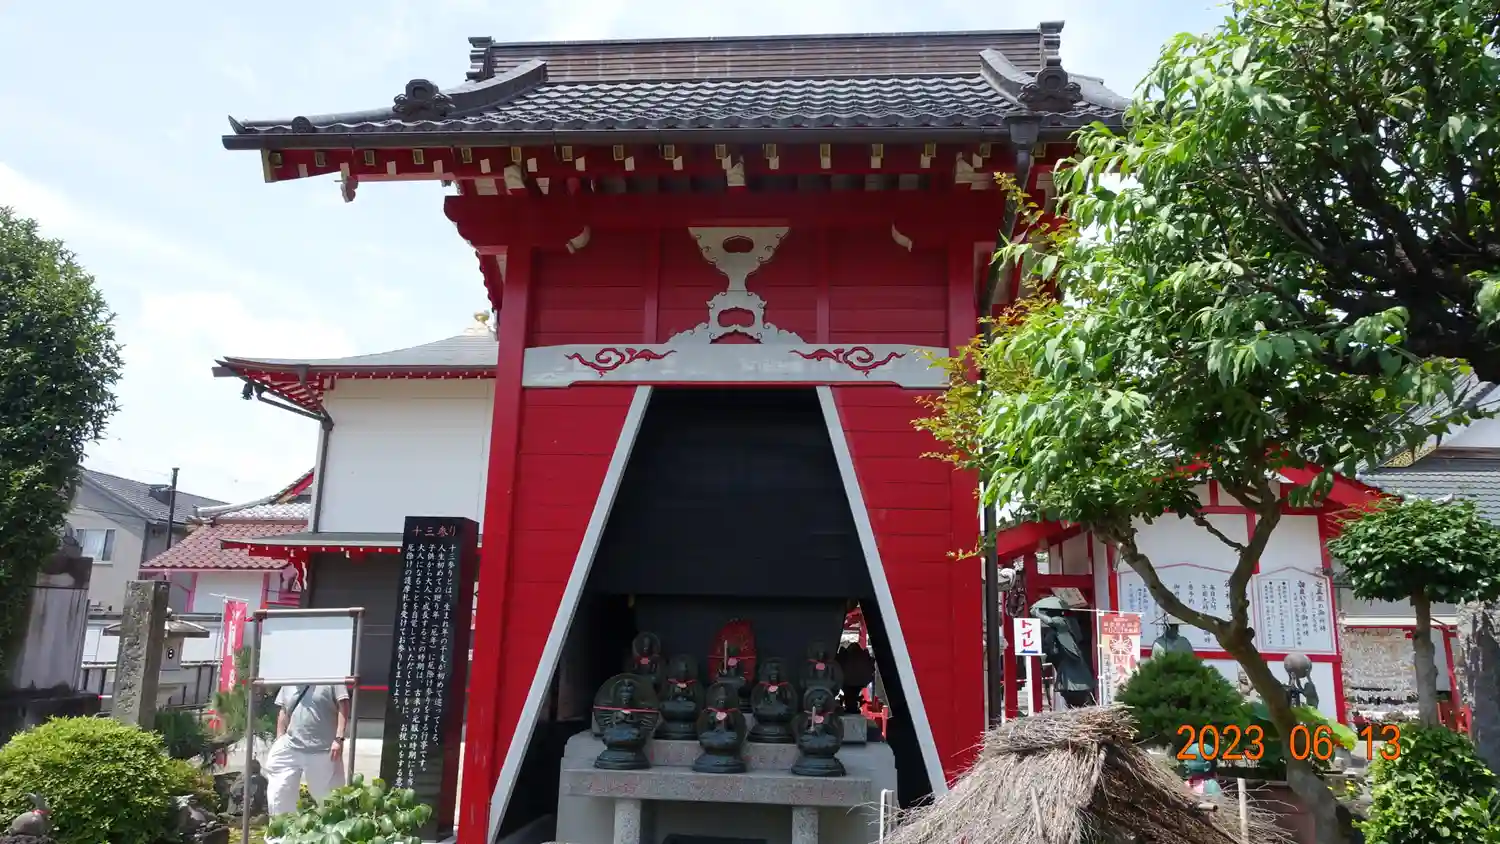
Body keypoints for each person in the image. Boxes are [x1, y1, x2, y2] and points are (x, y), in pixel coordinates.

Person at [264, 684, 350, 816]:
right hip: (290, 745)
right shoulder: (290, 680)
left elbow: (343, 705)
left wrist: (339, 738)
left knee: (327, 796)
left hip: (323, 749)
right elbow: (284, 710)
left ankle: (331, 825)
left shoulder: (332, 678)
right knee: (280, 789)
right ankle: (282, 825)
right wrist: (279, 738)